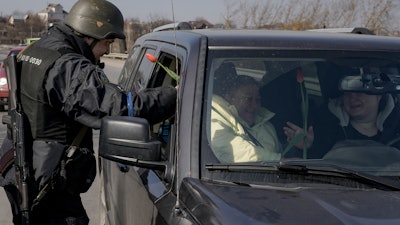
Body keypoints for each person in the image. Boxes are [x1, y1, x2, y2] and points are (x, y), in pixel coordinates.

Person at [1, 0, 177, 225]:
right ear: (91, 35)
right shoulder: (68, 66)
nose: (106, 51)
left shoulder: (39, 47)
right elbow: (120, 107)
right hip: (47, 187)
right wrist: (174, 95)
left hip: (24, 169)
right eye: (107, 43)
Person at [284, 91, 400, 158]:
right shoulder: (326, 127)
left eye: (360, 92)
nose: (353, 98)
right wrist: (310, 146)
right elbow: (318, 167)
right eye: (348, 94)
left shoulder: (397, 128)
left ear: (378, 96)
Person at [210, 64, 281, 163]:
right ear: (229, 98)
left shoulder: (267, 126)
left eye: (258, 100)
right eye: (248, 99)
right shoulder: (215, 117)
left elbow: (284, 159)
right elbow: (229, 149)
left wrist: (299, 146)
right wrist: (278, 160)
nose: (255, 106)